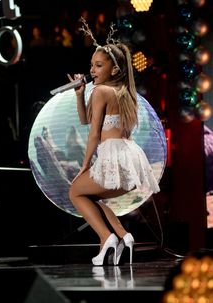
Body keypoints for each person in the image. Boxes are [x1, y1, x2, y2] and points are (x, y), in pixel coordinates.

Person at [68, 18, 160, 266]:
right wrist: (79, 95)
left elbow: (94, 134)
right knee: (95, 198)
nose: (92, 71)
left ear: (115, 69)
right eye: (91, 65)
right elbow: (86, 119)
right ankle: (123, 237)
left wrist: (84, 167)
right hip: (129, 158)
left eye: (98, 65)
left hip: (112, 155)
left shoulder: (101, 92)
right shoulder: (126, 93)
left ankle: (106, 236)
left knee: (75, 191)